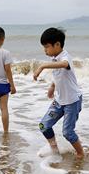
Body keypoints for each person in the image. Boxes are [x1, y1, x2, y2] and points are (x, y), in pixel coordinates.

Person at [32, 27, 85, 159]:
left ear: (57, 44)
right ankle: (54, 150)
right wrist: (52, 86)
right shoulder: (55, 58)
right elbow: (59, 75)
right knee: (44, 126)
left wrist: (42, 66)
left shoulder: (66, 57)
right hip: (59, 100)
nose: (45, 50)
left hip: (72, 101)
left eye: (47, 47)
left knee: (67, 132)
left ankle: (81, 152)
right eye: (44, 47)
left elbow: (64, 65)